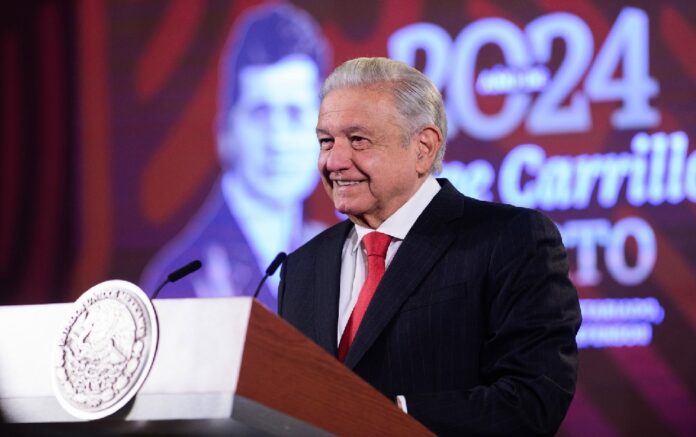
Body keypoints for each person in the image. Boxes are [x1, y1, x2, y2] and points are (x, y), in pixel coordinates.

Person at [278, 57, 581, 435]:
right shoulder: (302, 266)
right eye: (326, 142)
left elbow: (532, 400)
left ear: (423, 147)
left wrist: (387, 416)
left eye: (358, 140)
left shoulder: (510, 239)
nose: (334, 161)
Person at [140, 4, 330, 311]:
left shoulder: (329, 252)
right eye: (260, 113)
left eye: (295, 114)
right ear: (225, 132)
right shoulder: (186, 278)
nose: (278, 140)